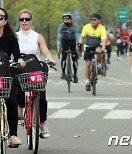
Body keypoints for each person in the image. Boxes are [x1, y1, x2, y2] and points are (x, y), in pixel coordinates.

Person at [16, 9, 56, 138]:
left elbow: (45, 51)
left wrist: (50, 59)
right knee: (17, 89)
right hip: (21, 69)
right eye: (22, 19)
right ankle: (20, 111)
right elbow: (12, 53)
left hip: (35, 70)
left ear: (31, 21)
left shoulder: (37, 36)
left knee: (42, 98)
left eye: (27, 19)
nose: (24, 22)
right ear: (19, 21)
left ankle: (43, 125)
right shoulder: (15, 36)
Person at [0, 7, 26, 147]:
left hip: (6, 75)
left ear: (5, 21)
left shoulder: (10, 38)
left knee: (11, 101)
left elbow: (17, 55)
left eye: (0, 17)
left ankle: (13, 135)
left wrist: (20, 61)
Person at [77, 12, 106, 91]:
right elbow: (82, 37)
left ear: (98, 21)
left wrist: (103, 49)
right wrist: (79, 44)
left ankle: (99, 65)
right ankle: (87, 82)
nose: (92, 21)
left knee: (99, 51)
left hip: (97, 45)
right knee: (88, 64)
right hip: (88, 46)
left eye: (94, 20)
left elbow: (103, 40)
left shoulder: (102, 28)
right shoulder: (86, 27)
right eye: (91, 20)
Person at [57, 12, 79, 83]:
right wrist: (59, 48)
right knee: (64, 57)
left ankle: (75, 75)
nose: (66, 21)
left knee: (74, 59)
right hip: (64, 41)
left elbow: (77, 36)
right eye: (65, 19)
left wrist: (77, 46)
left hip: (73, 41)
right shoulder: (61, 27)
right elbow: (59, 38)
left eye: (68, 19)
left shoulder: (74, 26)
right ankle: (63, 73)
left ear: (71, 19)